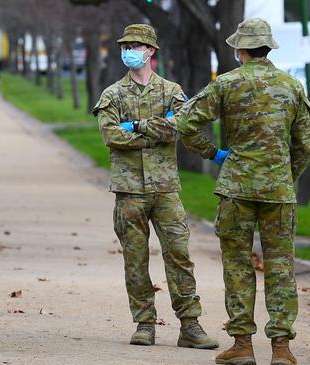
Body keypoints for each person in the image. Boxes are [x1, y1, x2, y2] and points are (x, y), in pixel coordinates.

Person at [176, 18, 310, 365]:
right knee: (281, 266)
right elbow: (306, 147)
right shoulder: (292, 86)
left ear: (240, 50)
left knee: (238, 266)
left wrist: (213, 154)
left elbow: (186, 124)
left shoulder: (226, 84)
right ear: (268, 48)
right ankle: (281, 349)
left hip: (236, 188)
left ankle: (242, 345)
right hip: (279, 193)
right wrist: (284, 175)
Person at [93, 24, 218, 350]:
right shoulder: (112, 94)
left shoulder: (172, 91)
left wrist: (136, 125)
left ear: (151, 51)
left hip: (165, 189)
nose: (127, 50)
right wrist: (160, 128)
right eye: (124, 45)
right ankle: (144, 323)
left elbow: (181, 127)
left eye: (135, 45)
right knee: (135, 259)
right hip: (129, 190)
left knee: (179, 255)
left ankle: (190, 325)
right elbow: (111, 137)